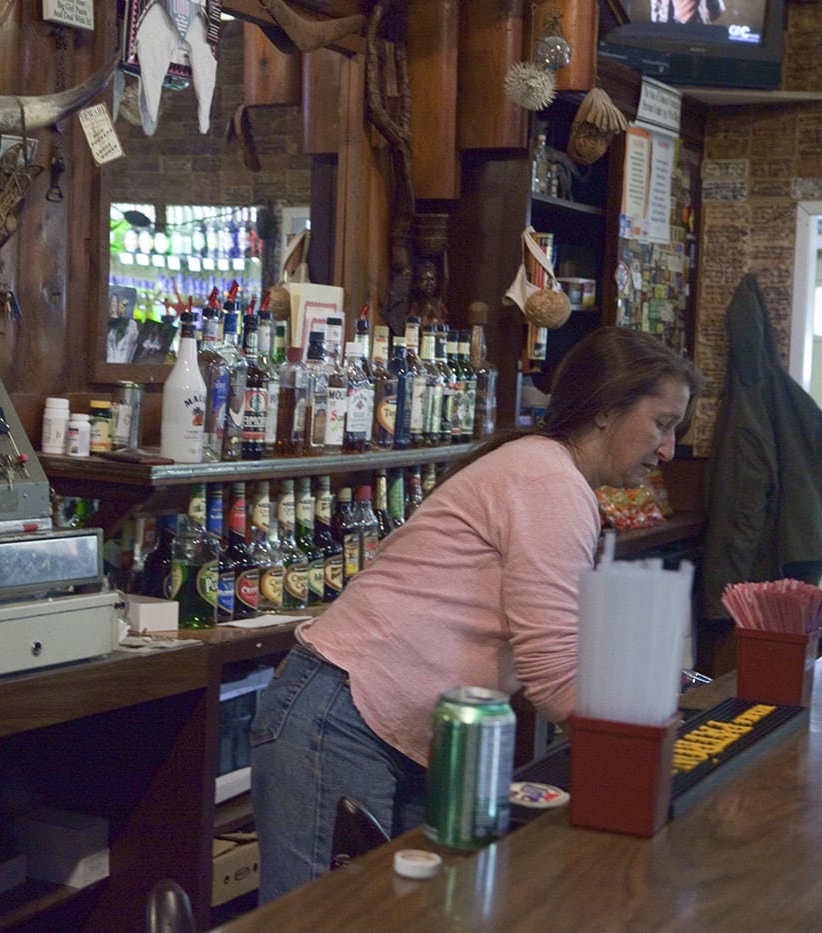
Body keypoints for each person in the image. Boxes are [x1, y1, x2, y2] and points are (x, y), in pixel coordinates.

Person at [250, 326, 704, 902]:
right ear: (607, 411)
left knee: (395, 916)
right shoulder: (550, 483)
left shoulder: (549, 474)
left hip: (387, 726)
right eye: (662, 424)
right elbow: (553, 676)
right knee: (320, 921)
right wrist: (648, 751)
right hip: (343, 717)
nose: (668, 450)